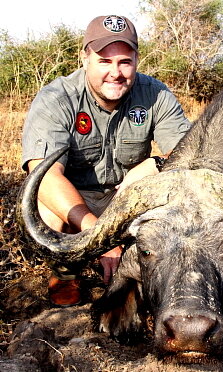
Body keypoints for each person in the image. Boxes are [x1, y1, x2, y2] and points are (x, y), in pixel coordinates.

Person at [21, 15, 192, 307]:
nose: (116, 72)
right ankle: (65, 272)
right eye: (104, 61)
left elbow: (191, 151)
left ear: (137, 60)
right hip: (78, 205)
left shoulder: (155, 94)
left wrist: (156, 164)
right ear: (85, 58)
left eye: (124, 61)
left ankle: (143, 268)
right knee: (42, 200)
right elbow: (45, 176)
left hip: (128, 198)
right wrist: (101, 236)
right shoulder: (56, 98)